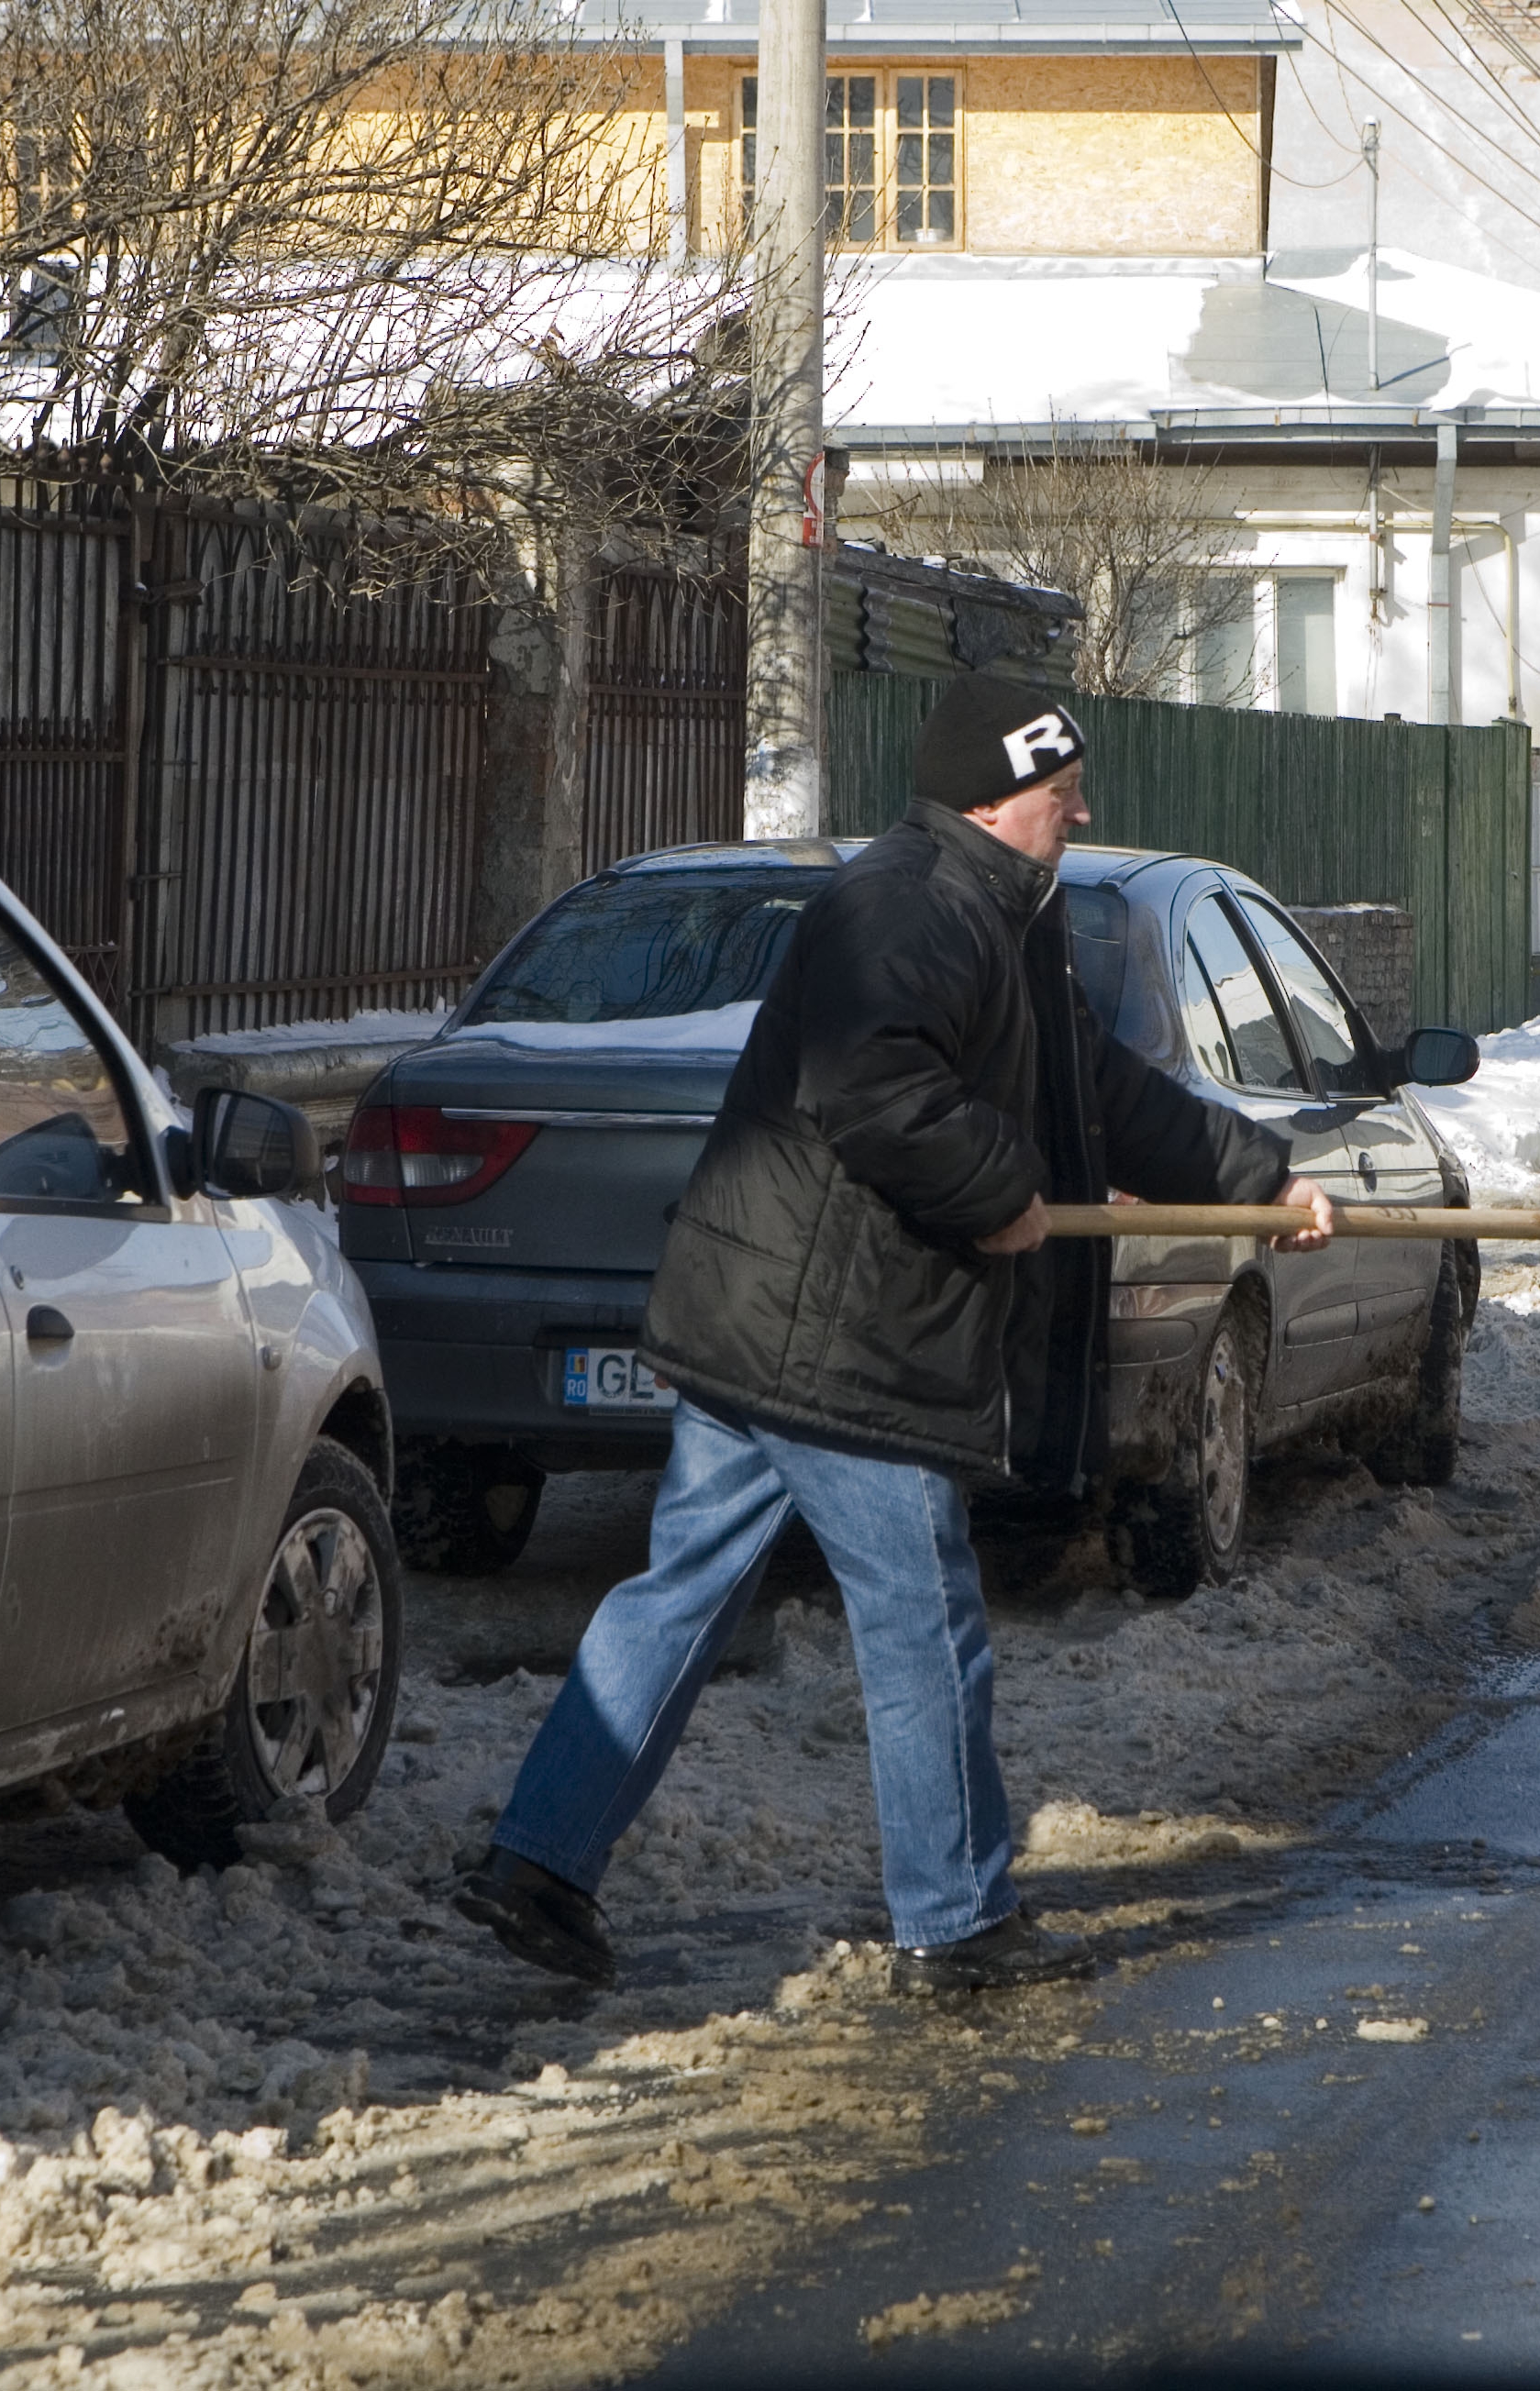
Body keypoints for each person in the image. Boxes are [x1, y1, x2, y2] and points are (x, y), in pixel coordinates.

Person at [453, 674, 1335, 1996]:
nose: (1078, 808)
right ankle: (957, 1921)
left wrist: (1254, 1176)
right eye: (1058, 793)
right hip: (839, 1340)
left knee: (679, 1594)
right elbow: (868, 1084)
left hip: (772, 1325)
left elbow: (1086, 1081)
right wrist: (999, 1193)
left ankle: (537, 1859)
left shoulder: (997, 904)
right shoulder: (911, 903)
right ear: (991, 799)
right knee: (922, 1624)